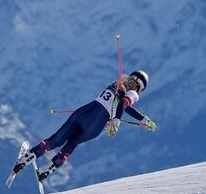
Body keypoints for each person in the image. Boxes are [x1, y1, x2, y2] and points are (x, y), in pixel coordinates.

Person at [13, 70, 157, 182]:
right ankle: (47, 170)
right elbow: (124, 104)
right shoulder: (132, 93)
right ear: (140, 87)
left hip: (85, 112)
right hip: (95, 127)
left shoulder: (119, 83)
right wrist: (119, 121)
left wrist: (140, 119)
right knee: (72, 144)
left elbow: (123, 104)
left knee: (57, 139)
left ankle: (29, 157)